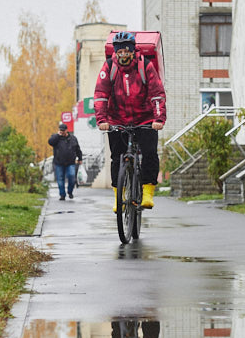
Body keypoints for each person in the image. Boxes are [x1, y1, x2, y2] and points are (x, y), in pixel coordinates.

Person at [94, 31, 166, 211]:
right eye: (119, 51)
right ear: (115, 52)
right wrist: (102, 120)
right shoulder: (109, 67)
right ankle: (119, 196)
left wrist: (158, 118)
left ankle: (147, 192)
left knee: (149, 154)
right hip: (116, 120)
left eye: (126, 51)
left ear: (133, 51)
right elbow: (101, 95)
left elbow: (157, 94)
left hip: (145, 119)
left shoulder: (145, 66)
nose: (123, 55)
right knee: (117, 157)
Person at [47, 122, 82, 201]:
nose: (62, 132)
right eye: (60, 130)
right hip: (59, 162)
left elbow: (77, 149)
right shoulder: (56, 138)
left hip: (71, 162)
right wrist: (57, 135)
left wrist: (80, 158)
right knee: (60, 179)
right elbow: (50, 142)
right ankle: (62, 195)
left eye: (63, 130)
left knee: (72, 176)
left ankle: (70, 192)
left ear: (67, 130)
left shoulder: (73, 138)